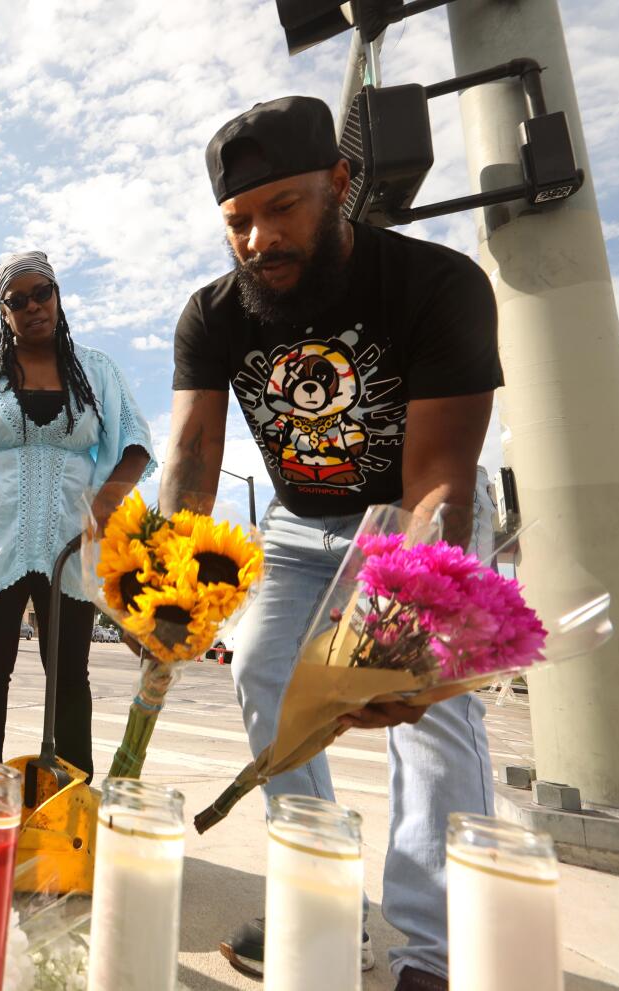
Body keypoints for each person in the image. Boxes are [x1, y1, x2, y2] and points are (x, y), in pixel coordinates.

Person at [165, 96, 501, 991]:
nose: (259, 240)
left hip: (412, 514)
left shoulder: (437, 286)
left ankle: (434, 955)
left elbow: (437, 477)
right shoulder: (212, 315)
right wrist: (168, 585)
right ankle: (322, 908)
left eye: (283, 209)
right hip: (297, 522)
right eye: (239, 221)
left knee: (426, 709)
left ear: (341, 186)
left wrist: (403, 632)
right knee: (263, 669)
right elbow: (195, 455)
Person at [0, 251, 153, 781]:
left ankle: (73, 802)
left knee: (68, 676)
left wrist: (110, 497)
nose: (33, 306)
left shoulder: (96, 369)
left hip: (72, 541)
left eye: (42, 292)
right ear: (3, 312)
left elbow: (134, 441)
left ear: (58, 294)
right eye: (16, 301)